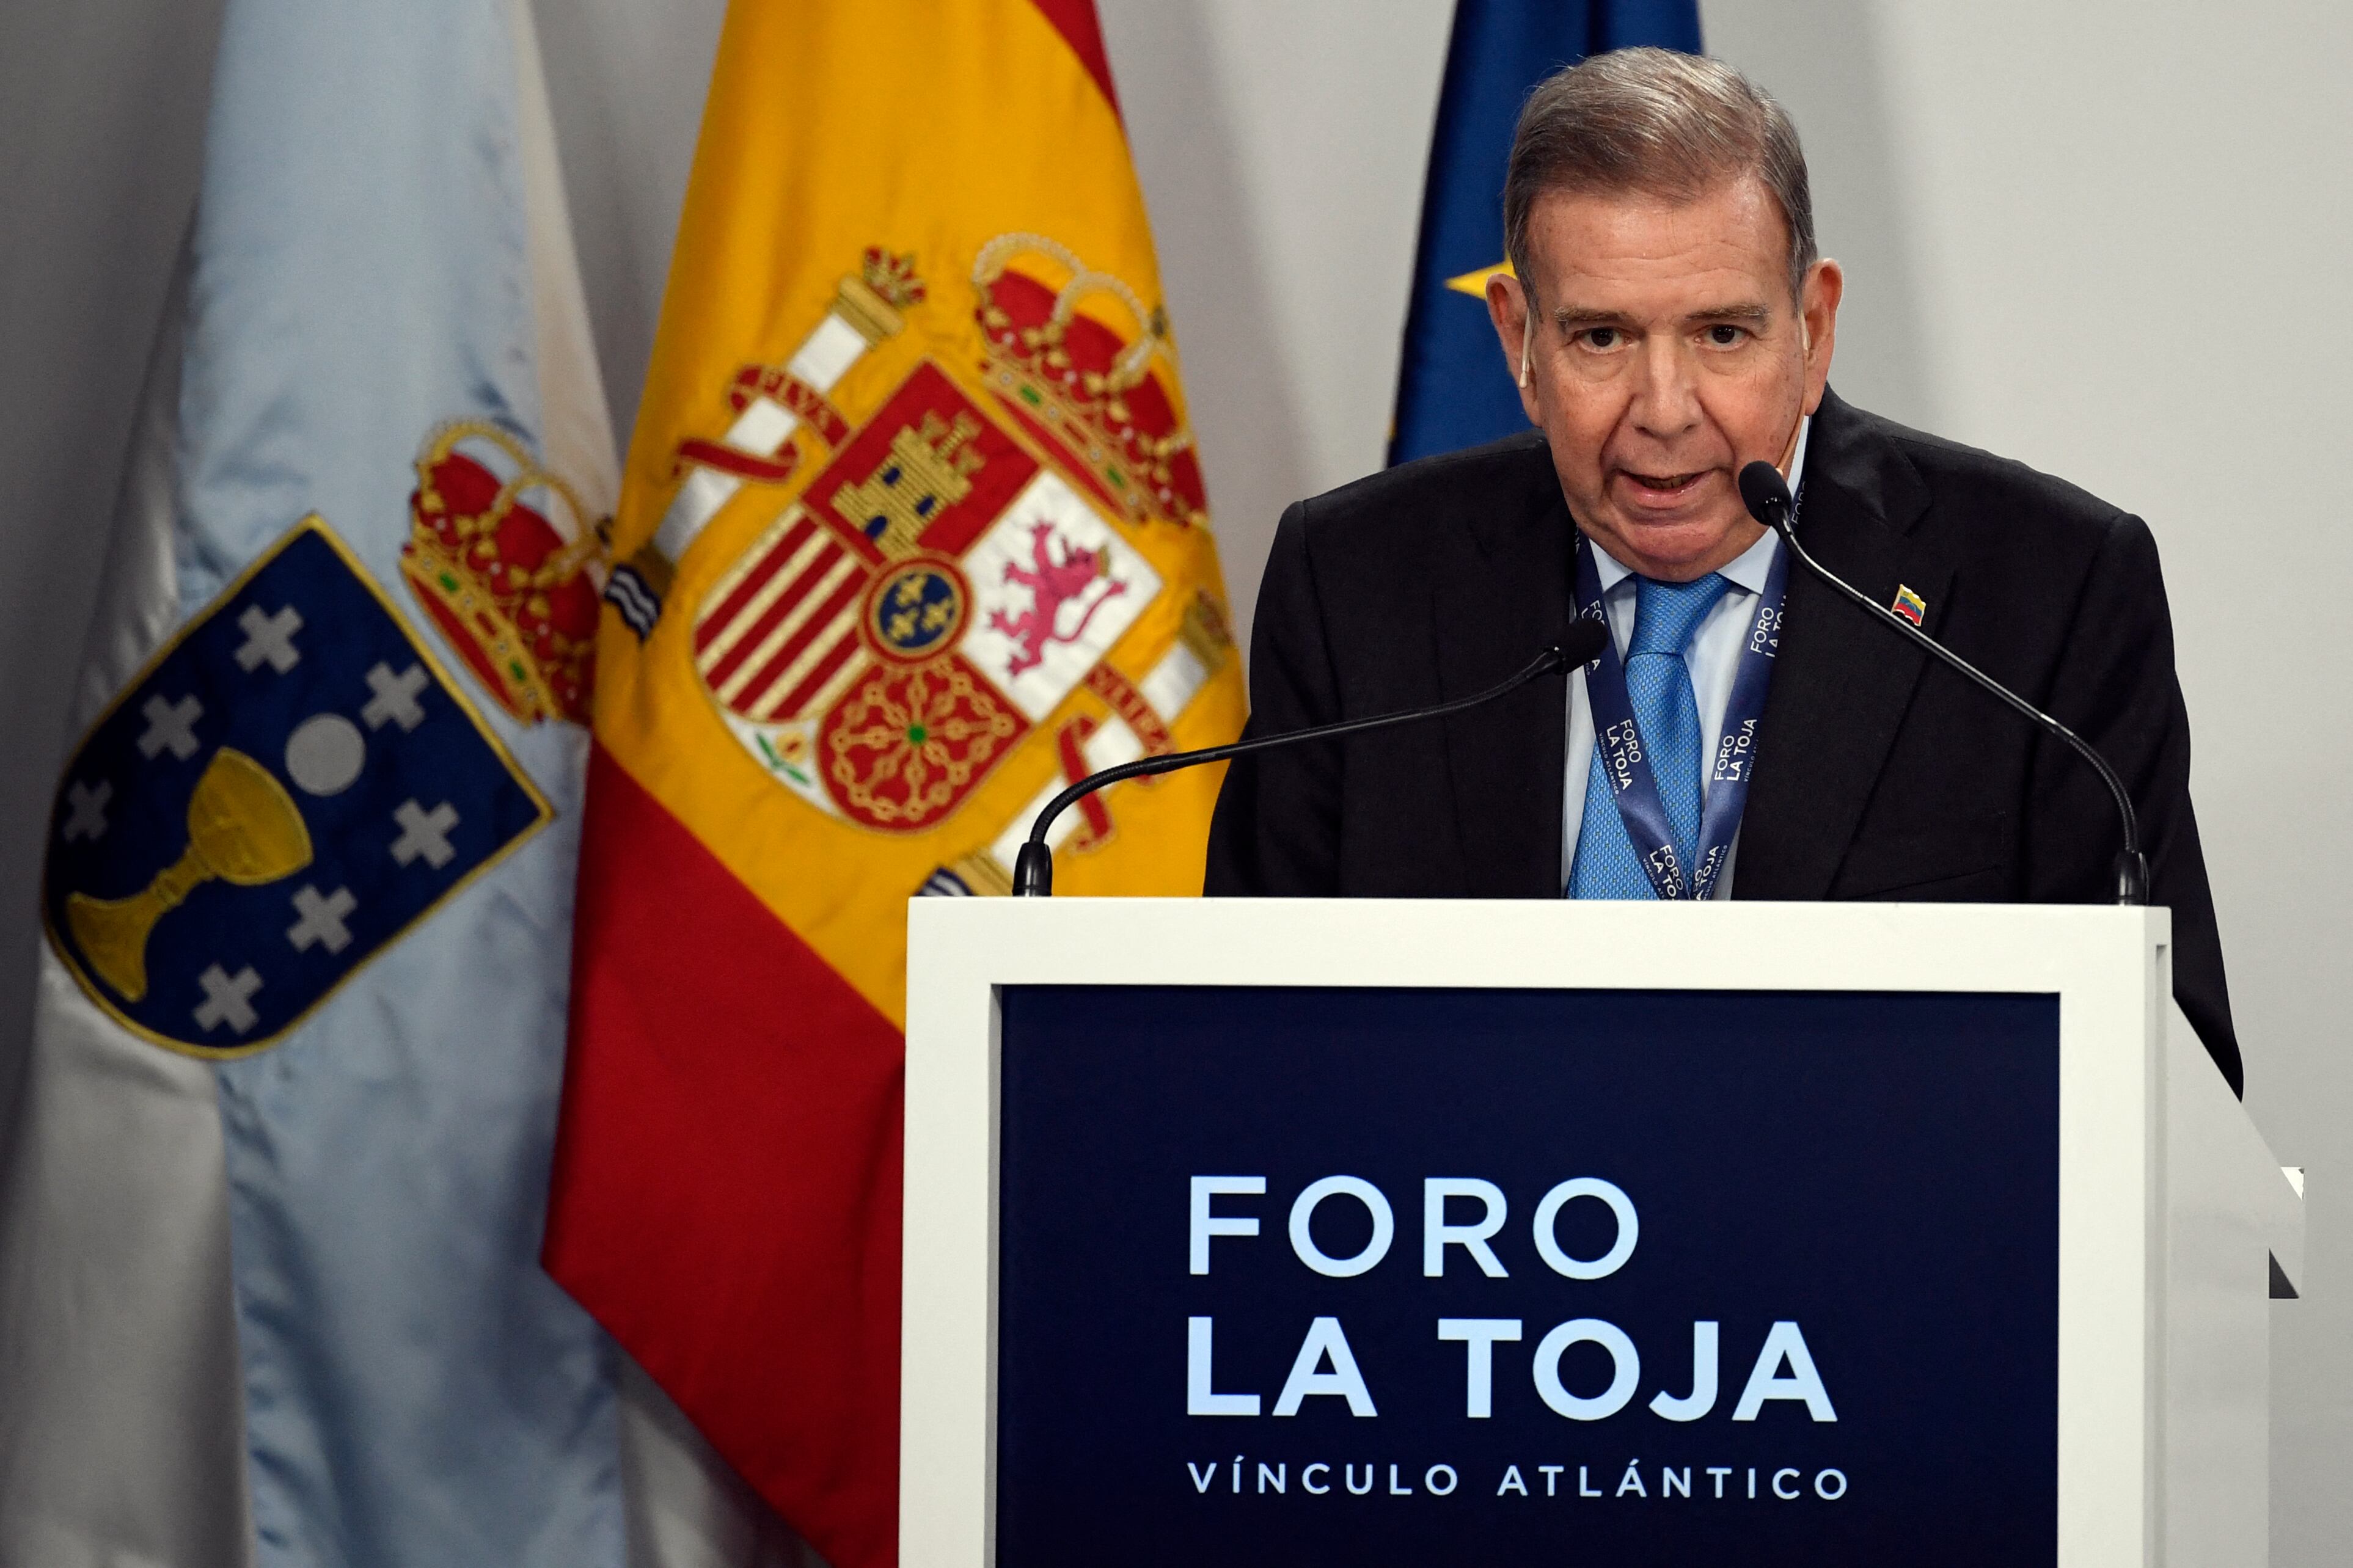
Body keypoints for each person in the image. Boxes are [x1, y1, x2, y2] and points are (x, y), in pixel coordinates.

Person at [1202, 48, 2241, 1092]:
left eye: (1722, 334)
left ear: (1814, 327)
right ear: (1519, 339)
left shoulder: (2046, 597)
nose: (1664, 407)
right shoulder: (1355, 587)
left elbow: (2167, 1075)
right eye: (1602, 336)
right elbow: (1238, 1046)